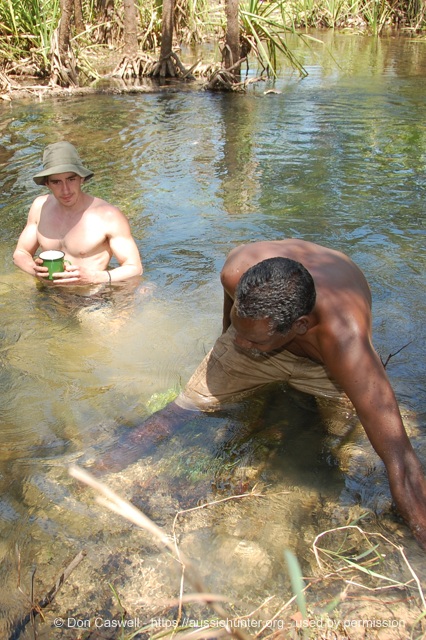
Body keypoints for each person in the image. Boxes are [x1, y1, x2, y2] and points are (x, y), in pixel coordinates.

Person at [100, 239, 426, 550]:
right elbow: (235, 333)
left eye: (253, 341)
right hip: (259, 329)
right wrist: (233, 346)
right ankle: (101, 467)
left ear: (300, 326)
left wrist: (421, 529)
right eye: (241, 330)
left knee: (347, 441)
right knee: (182, 409)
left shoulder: (344, 341)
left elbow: (400, 456)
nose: (243, 345)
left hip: (323, 364)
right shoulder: (236, 273)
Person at [13, 141, 143, 287]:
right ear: (47, 184)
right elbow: (20, 254)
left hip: (92, 295)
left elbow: (134, 268)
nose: (66, 190)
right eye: (56, 182)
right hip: (50, 292)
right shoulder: (40, 207)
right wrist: (36, 272)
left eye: (71, 179)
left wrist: (94, 277)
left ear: (81, 178)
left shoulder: (108, 216)